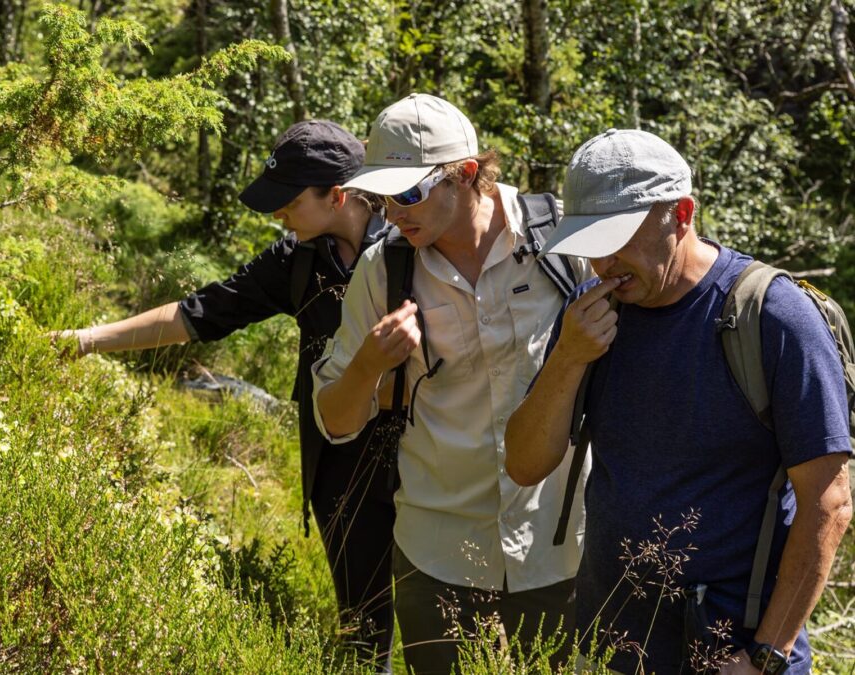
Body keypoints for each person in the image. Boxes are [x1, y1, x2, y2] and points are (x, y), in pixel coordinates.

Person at [53, 120, 399, 669]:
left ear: (336, 195)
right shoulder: (298, 260)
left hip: (428, 459)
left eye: (287, 203)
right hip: (341, 467)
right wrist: (87, 340)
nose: (277, 216)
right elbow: (200, 314)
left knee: (449, 629)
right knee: (363, 633)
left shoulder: (413, 246)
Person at [505, 128, 853, 675]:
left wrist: (765, 655)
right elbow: (524, 465)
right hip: (614, 643)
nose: (603, 262)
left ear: (682, 213)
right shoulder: (589, 315)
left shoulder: (773, 316)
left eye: (617, 238)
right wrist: (569, 358)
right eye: (589, 242)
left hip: (735, 652)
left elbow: (829, 502)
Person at [311, 93, 592, 674]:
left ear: (466, 174)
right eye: (382, 194)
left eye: (408, 192)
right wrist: (367, 364)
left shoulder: (561, 239)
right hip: (437, 560)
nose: (392, 211)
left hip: (562, 551)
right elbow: (334, 423)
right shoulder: (382, 269)